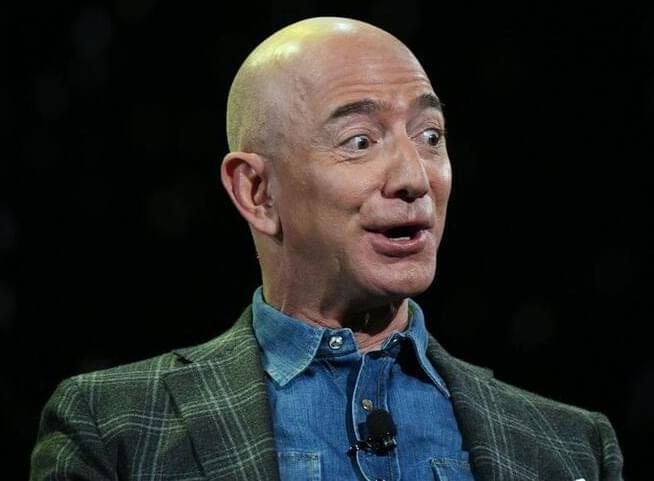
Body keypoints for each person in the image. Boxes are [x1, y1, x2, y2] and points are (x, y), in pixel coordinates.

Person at [30, 17, 624, 481]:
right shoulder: (115, 429)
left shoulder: (571, 446)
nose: (414, 177)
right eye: (360, 141)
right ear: (257, 191)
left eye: (430, 136)